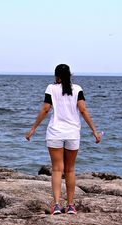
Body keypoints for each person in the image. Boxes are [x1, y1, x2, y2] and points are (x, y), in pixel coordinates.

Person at [25, 64, 101, 215]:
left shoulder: (51, 89)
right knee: (70, 170)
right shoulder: (77, 89)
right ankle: (71, 206)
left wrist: (33, 129)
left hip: (55, 133)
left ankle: (57, 205)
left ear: (56, 76)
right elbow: (83, 110)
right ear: (70, 75)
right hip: (72, 133)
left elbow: (45, 109)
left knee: (57, 169)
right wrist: (94, 131)